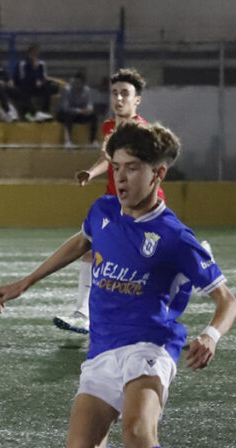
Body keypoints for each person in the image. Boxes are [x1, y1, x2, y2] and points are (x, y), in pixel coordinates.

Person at [0, 120, 236, 448]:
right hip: (103, 346)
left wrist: (210, 335)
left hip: (151, 344)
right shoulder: (103, 209)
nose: (121, 178)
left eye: (133, 169)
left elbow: (228, 301)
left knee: (138, 430)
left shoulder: (175, 237)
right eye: (118, 167)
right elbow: (81, 241)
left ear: (158, 174)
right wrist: (26, 282)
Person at [55, 68, 162, 335]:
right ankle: (83, 314)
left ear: (137, 100)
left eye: (125, 93)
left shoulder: (143, 132)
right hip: (114, 202)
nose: (118, 98)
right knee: (91, 248)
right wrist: (91, 172)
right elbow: (110, 159)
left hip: (142, 207)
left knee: (144, 263)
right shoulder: (108, 127)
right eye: (114, 93)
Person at [14, 43, 58, 122]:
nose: (36, 53)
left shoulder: (41, 63)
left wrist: (41, 82)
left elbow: (44, 76)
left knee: (52, 86)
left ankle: (44, 111)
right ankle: (31, 115)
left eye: (37, 51)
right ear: (29, 52)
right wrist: (34, 80)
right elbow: (22, 77)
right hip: (27, 86)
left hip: (38, 87)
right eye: (33, 51)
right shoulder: (23, 63)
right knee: (23, 91)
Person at [56, 71, 98, 147]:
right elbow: (65, 108)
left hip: (79, 114)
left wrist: (89, 110)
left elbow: (89, 104)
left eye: (80, 83)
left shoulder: (86, 90)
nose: (78, 85)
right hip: (64, 114)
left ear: (83, 83)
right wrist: (80, 111)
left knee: (93, 116)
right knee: (68, 115)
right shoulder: (67, 90)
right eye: (76, 82)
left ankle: (93, 141)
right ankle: (67, 141)